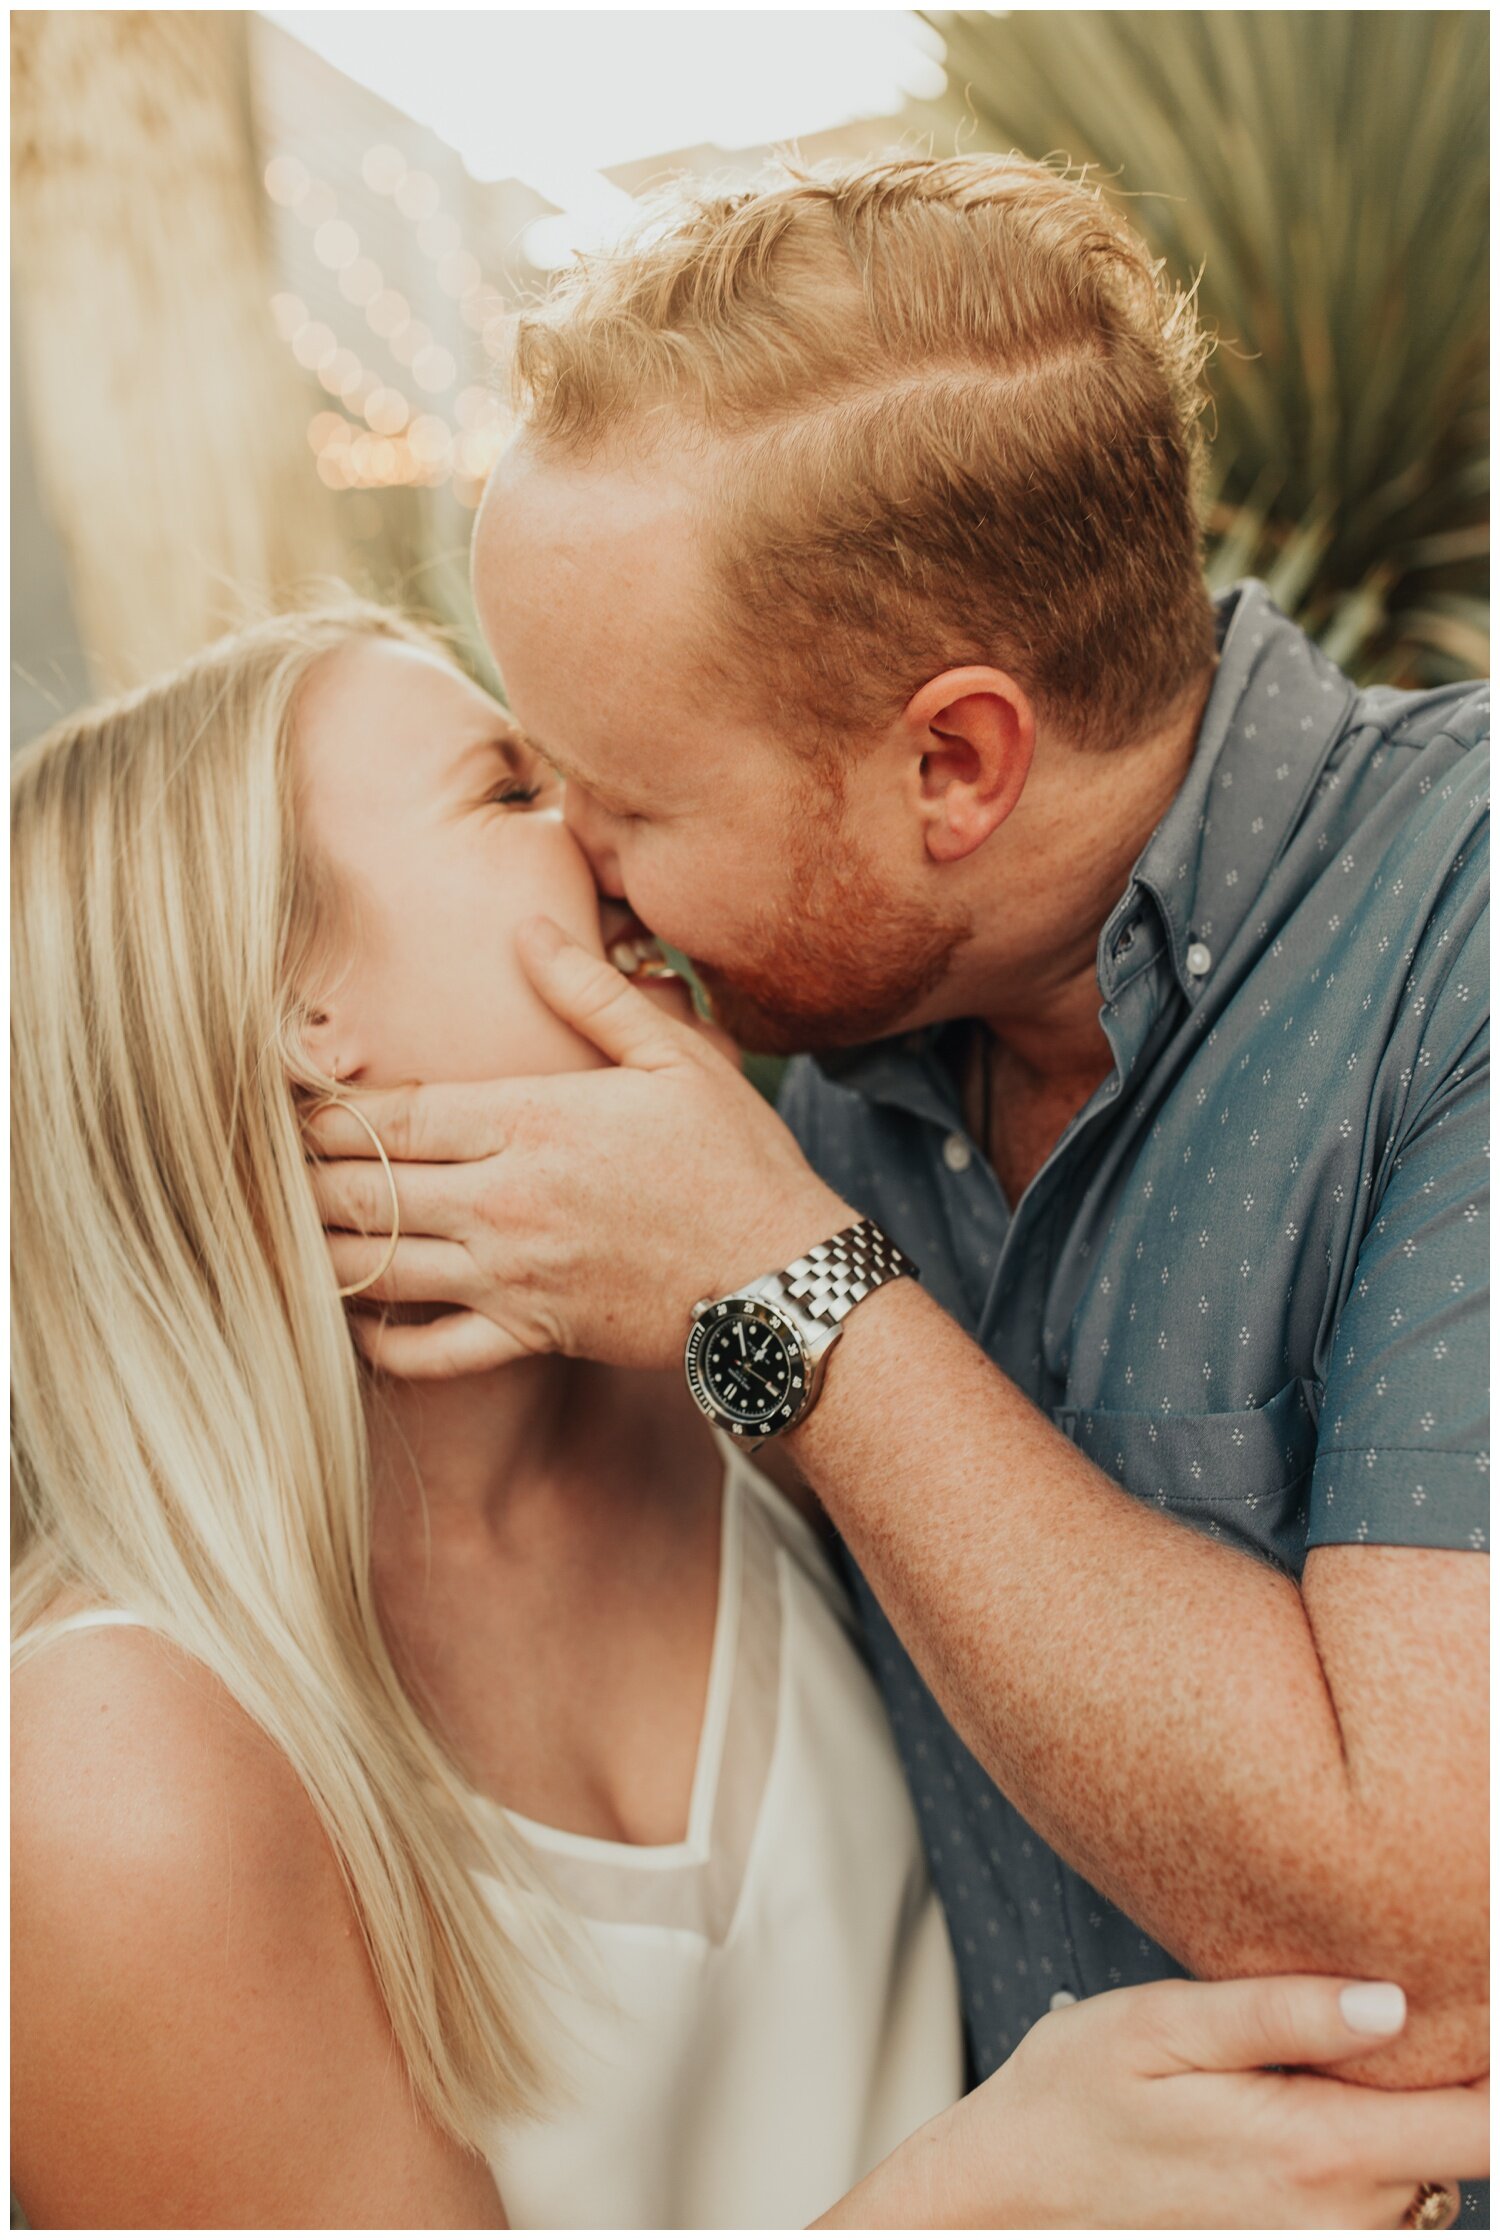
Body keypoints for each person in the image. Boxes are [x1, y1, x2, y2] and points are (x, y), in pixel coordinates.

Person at [306, 155, 1490, 2229]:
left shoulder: (1460, 947)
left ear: (954, 765)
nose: (580, 867)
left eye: (631, 798)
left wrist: (779, 1288)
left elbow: (1427, 1962)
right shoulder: (808, 1043)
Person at [17, 603, 1480, 2230]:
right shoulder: (111, 1776)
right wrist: (971, 2211)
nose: (609, 834)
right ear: (296, 1016)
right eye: (510, 788)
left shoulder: (753, 1395)